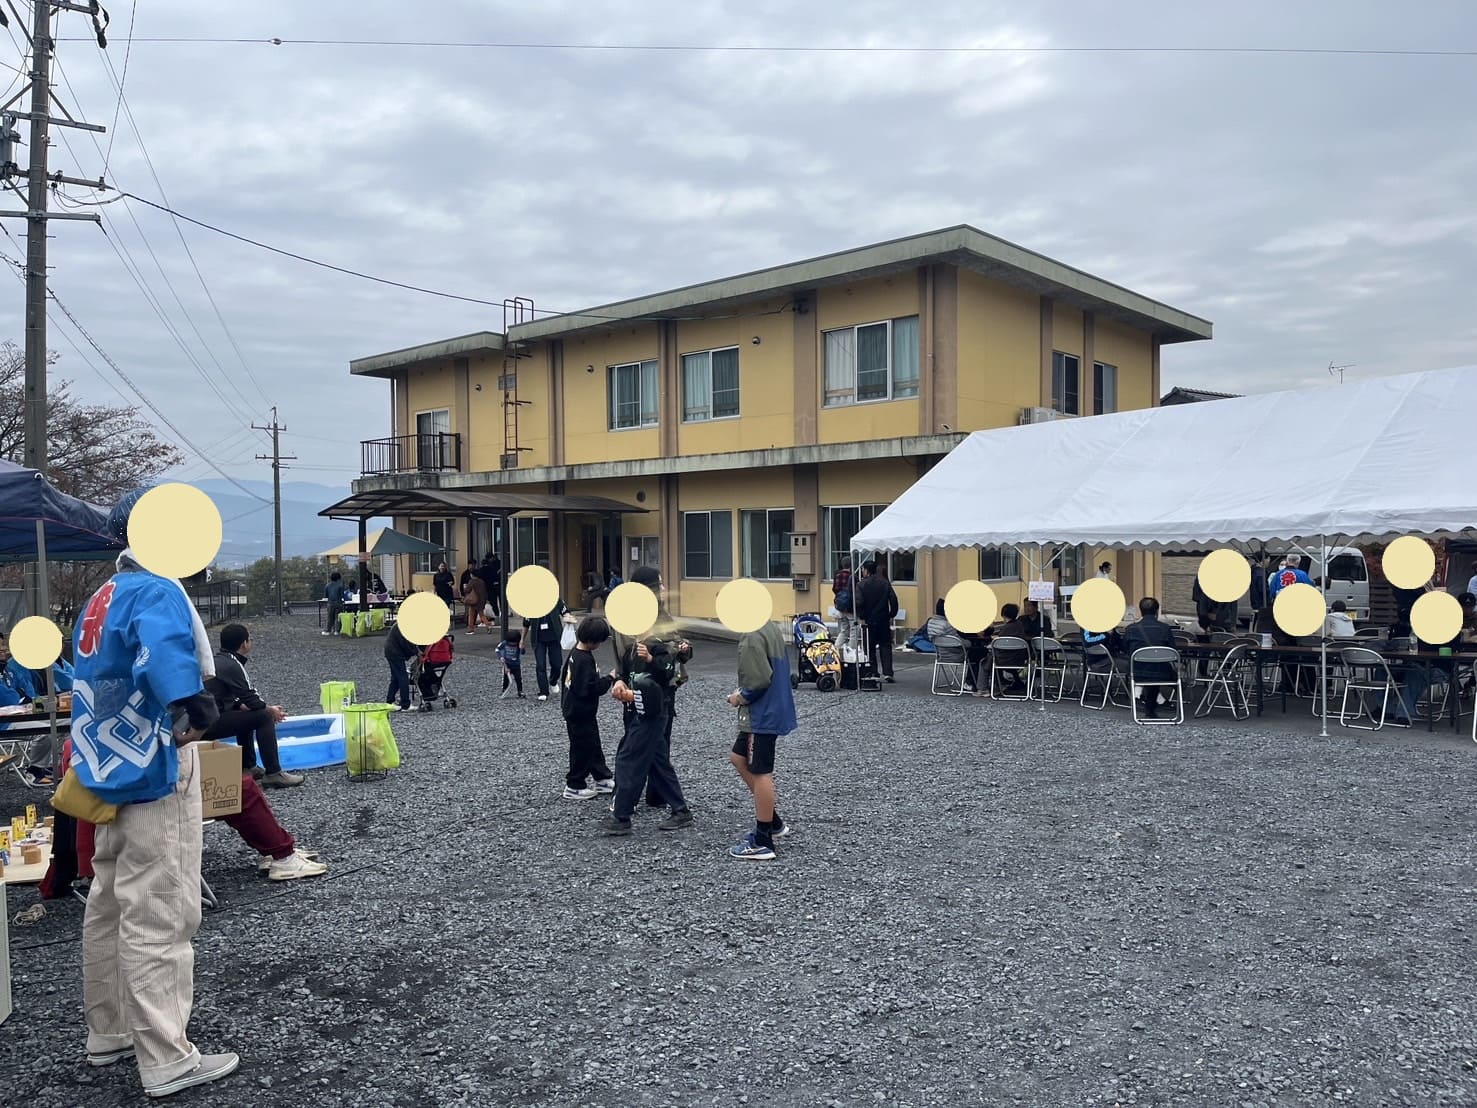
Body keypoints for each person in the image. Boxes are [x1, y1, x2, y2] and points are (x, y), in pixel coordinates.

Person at [70, 488, 239, 1098]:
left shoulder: (102, 594)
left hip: (103, 763)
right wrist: (195, 704)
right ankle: (167, 1056)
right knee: (161, 905)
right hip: (156, 758)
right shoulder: (157, 588)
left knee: (110, 899)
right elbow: (166, 652)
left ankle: (110, 1030)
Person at [601, 567, 693, 835]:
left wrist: (669, 653)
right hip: (639, 700)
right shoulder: (634, 632)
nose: (663, 589)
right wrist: (620, 680)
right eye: (659, 584)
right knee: (653, 755)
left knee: (632, 755)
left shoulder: (653, 637)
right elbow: (625, 662)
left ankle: (622, 815)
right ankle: (676, 808)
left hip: (652, 701)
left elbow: (668, 665)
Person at [726, 613, 798, 861]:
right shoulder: (768, 626)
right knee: (738, 758)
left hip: (761, 715)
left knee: (760, 771)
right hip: (770, 710)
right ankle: (772, 820)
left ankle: (763, 839)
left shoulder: (751, 634)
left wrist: (739, 697)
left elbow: (757, 681)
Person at [203, 624, 304, 788]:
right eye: (250, 639)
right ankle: (273, 773)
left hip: (201, 721)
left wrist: (241, 705)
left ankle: (248, 767)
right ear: (244, 644)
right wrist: (270, 710)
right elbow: (252, 699)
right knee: (263, 716)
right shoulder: (232, 664)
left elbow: (224, 697)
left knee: (248, 713)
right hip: (208, 725)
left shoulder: (218, 661)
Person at [559, 616, 616, 800]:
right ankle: (574, 784)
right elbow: (591, 689)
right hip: (579, 712)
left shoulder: (577, 653)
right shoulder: (583, 660)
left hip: (579, 710)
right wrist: (610, 678)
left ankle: (602, 777)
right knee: (582, 749)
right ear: (593, 640)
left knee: (592, 745)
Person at [1123, 596, 1178, 718]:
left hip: (1137, 671)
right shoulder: (1165, 628)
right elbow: (1173, 651)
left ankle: (1147, 706)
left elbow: (1125, 648)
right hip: (1161, 672)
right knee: (1156, 670)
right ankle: (1152, 708)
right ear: (1157, 611)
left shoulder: (1131, 629)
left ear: (1140, 611)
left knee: (1149, 670)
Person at [856, 560, 899, 682]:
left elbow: (859, 602)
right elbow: (893, 599)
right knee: (885, 645)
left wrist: (862, 616)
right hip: (883, 619)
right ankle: (888, 672)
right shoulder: (885, 583)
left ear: (866, 570)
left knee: (869, 647)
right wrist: (891, 614)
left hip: (868, 620)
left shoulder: (861, 585)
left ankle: (873, 671)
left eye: (863, 570)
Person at [524, 588, 570, 702]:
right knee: (540, 665)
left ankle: (553, 681)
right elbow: (526, 623)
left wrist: (569, 621)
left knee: (557, 664)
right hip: (538, 638)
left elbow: (565, 612)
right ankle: (543, 691)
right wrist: (521, 641)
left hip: (554, 637)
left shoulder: (556, 600)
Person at [383, 622, 417, 711]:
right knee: (403, 678)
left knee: (395, 678)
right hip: (395, 653)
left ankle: (390, 701)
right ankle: (405, 704)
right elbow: (406, 643)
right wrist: (416, 652)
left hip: (390, 650)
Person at [0, 630, 38, 705]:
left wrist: (25, 697)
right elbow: (8, 699)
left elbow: (28, 689)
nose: (2, 648)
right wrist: (20, 696)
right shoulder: (15, 664)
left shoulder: (9, 671)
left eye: (2, 644)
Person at [832, 556, 856, 655]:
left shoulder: (837, 575)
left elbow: (835, 589)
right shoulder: (853, 576)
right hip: (850, 607)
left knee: (844, 630)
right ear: (851, 565)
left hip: (840, 606)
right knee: (854, 630)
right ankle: (851, 651)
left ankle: (835, 648)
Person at [496, 628, 525, 699]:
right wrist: (500, 657)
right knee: (506, 679)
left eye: (514, 643)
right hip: (507, 664)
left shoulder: (518, 644)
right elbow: (497, 649)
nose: (512, 645)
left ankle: (520, 691)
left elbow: (523, 652)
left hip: (516, 665)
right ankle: (504, 689)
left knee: (518, 679)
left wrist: (522, 648)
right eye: (510, 643)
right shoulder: (504, 643)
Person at [461, 567, 490, 635]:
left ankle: (471, 629)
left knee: (471, 615)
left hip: (473, 601)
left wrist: (464, 587)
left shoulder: (471, 581)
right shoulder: (482, 581)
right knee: (482, 615)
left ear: (472, 574)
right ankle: (488, 625)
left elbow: (467, 590)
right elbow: (484, 592)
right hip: (481, 600)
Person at [476, 554, 503, 619]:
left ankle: (483, 617)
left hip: (483, 589)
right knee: (494, 603)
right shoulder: (492, 569)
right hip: (492, 589)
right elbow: (495, 578)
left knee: (483, 604)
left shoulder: (480, 570)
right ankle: (496, 615)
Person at [323, 571, 347, 637]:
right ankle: (337, 631)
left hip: (330, 603)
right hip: (338, 603)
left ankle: (328, 630)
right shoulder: (340, 585)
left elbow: (326, 596)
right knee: (337, 618)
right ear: (338, 578)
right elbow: (342, 596)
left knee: (330, 618)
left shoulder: (327, 586)